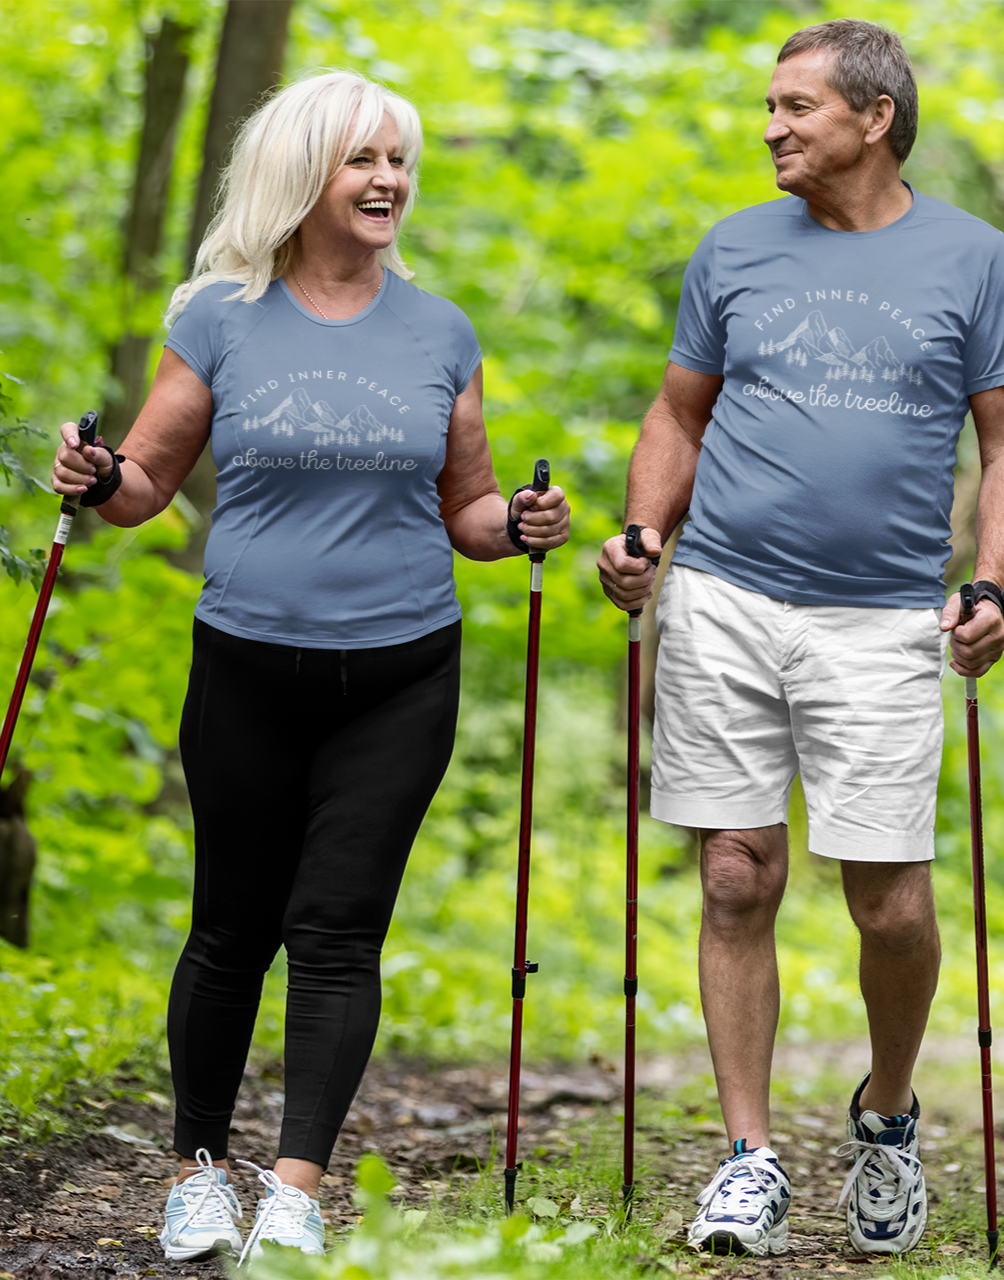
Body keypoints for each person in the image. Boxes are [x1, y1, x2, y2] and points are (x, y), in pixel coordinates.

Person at [51, 71, 569, 1264]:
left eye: (399, 158)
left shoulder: (439, 329)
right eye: (362, 159)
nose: (389, 178)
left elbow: (470, 509)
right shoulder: (221, 316)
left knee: (337, 928)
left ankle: (291, 1186)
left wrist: (523, 523)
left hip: (398, 672)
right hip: (245, 664)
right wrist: (93, 477)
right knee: (230, 925)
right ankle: (196, 1170)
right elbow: (144, 485)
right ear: (304, 174)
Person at [597, 18, 1004, 1259]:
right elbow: (676, 411)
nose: (770, 127)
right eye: (769, 106)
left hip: (887, 613)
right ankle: (746, 1157)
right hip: (727, 597)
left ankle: (886, 1116)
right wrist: (642, 531)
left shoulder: (970, 256)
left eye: (794, 107)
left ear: (874, 117)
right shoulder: (733, 248)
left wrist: (990, 583)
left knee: (889, 904)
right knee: (735, 872)